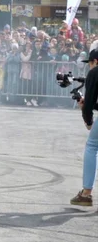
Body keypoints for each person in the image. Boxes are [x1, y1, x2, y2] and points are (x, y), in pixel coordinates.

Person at [71, 49, 98, 206]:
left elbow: (88, 105)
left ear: (94, 61)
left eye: (89, 63)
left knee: (92, 146)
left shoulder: (95, 73)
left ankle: (86, 193)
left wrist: (88, 121)